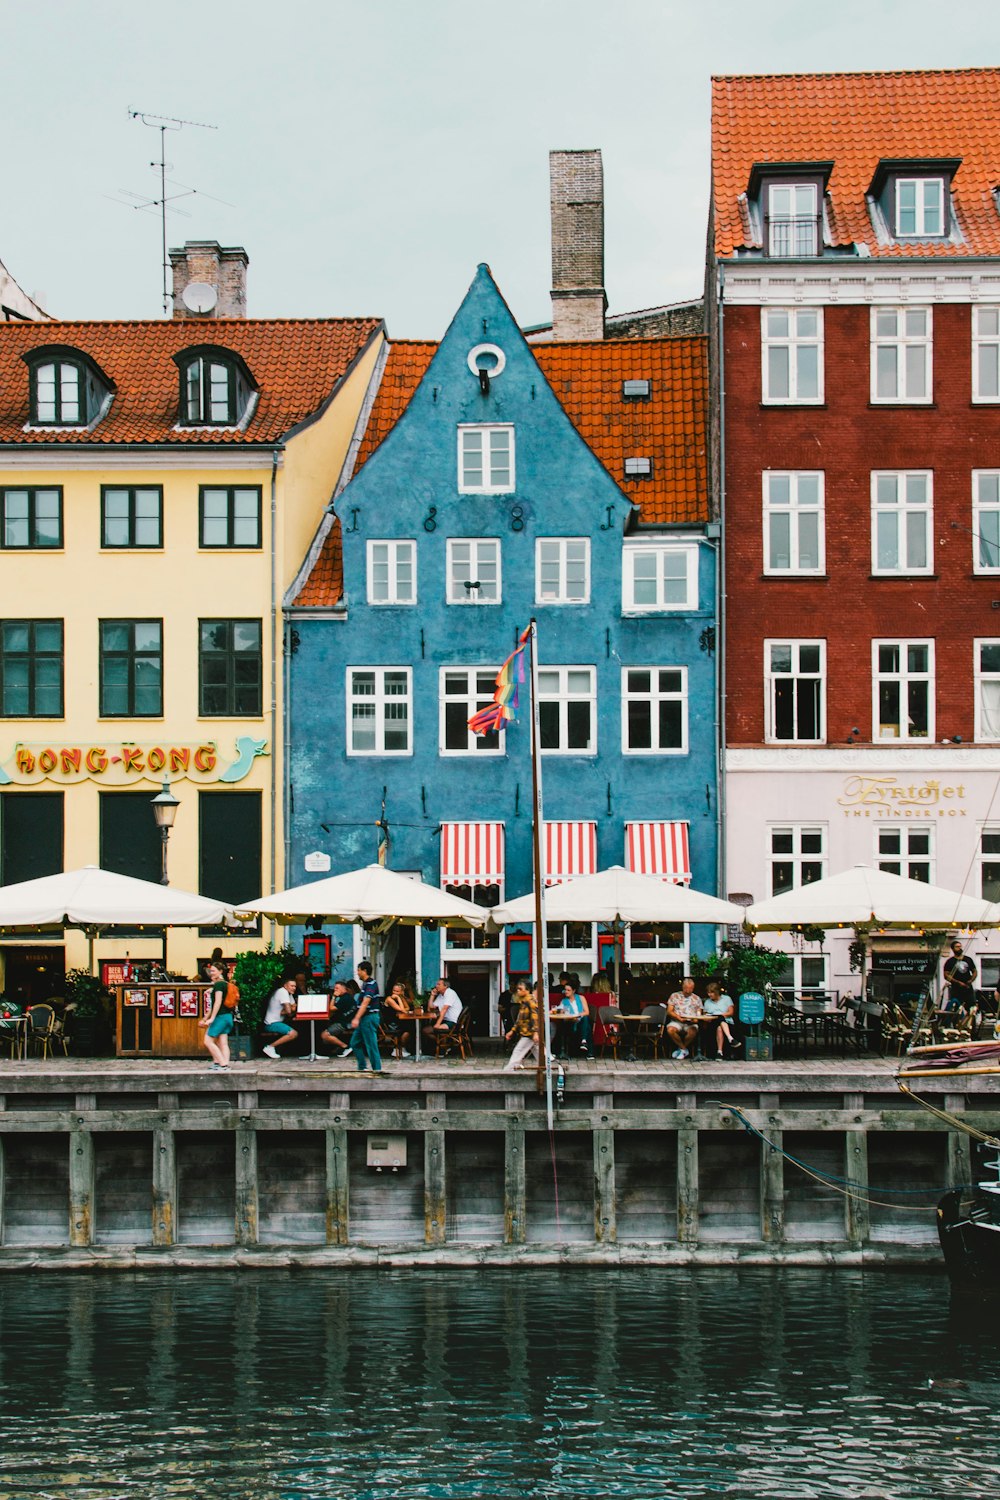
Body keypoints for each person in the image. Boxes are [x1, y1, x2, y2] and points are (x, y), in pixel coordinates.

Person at [199, 960, 234, 1070]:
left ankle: (222, 1064)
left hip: (220, 1017)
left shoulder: (218, 985)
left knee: (208, 1041)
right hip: (228, 1016)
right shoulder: (226, 984)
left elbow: (217, 1002)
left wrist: (211, 1019)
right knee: (223, 1043)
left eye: (213, 971)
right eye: (211, 971)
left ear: (220, 971)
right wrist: (205, 1018)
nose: (211, 973)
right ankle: (222, 1064)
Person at [351, 960, 383, 1073]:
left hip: (369, 1017)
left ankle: (377, 1069)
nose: (357, 972)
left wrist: (356, 1018)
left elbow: (366, 1002)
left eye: (359, 970)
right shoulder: (365, 985)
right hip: (364, 1018)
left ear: (364, 971)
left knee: (371, 1044)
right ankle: (362, 1067)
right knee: (354, 1043)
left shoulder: (371, 984)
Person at [550, 978, 593, 1059]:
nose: (566, 992)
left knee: (585, 1019)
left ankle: (583, 1041)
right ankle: (585, 1044)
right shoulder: (563, 1001)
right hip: (571, 1023)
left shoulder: (581, 998)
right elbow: (563, 1016)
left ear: (573, 991)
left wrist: (577, 1016)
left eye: (568, 990)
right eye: (565, 990)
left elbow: (587, 1012)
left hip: (581, 1021)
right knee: (585, 1024)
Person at [503, 979, 539, 1071]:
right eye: (517, 989)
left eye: (520, 989)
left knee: (518, 1051)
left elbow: (535, 1016)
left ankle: (509, 1070)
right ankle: (550, 1065)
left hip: (529, 1033)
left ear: (527, 990)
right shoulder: (523, 1002)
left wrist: (535, 1032)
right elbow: (519, 1020)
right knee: (540, 1052)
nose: (518, 991)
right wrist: (512, 1031)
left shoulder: (530, 1002)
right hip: (527, 1032)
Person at [319, 979, 360, 1057]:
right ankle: (338, 1047)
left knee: (324, 1035)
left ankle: (345, 1047)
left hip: (344, 1023)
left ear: (343, 989)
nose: (335, 990)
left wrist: (334, 997)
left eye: (337, 988)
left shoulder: (345, 998)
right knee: (324, 1035)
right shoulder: (345, 997)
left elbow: (331, 1008)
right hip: (345, 1021)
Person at [665, 977, 703, 1060]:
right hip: (677, 1021)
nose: (688, 991)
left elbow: (699, 1014)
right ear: (682, 987)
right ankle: (684, 1049)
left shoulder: (697, 999)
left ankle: (681, 1049)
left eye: (690, 989)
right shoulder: (674, 996)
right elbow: (669, 1011)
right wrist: (678, 1017)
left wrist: (695, 1019)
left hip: (691, 1022)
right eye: (686, 988)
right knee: (670, 1030)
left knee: (692, 1032)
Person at [262, 976, 298, 1059]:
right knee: (293, 1033)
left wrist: (285, 1011)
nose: (294, 988)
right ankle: (270, 1047)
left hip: (278, 1022)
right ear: (285, 986)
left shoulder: (289, 994)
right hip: (271, 1023)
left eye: (295, 986)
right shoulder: (282, 992)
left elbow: (292, 1009)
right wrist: (288, 1010)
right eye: (291, 986)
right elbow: (289, 1011)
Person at [702, 980, 739, 1060]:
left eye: (711, 992)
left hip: (727, 1022)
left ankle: (719, 1052)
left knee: (719, 1026)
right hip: (712, 1022)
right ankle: (730, 1039)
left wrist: (720, 1016)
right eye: (708, 992)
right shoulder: (707, 1002)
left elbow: (731, 1012)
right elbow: (705, 1014)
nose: (709, 994)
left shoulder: (727, 999)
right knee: (718, 1021)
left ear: (717, 992)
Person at [423, 976, 462, 1046]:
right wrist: (432, 995)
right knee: (425, 1030)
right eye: (436, 984)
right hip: (445, 1020)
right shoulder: (441, 995)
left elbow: (444, 1009)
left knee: (437, 1029)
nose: (436, 986)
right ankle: (441, 1045)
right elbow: (430, 1008)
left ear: (445, 986)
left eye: (438, 984)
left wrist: (438, 1024)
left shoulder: (450, 993)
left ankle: (443, 1048)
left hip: (453, 1022)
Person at [382, 981, 415, 1058]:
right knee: (409, 1029)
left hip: (398, 1020)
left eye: (397, 991)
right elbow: (402, 1010)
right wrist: (398, 998)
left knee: (411, 1027)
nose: (395, 993)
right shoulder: (389, 999)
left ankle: (402, 1048)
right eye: (394, 991)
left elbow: (407, 1008)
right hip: (391, 1023)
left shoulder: (401, 997)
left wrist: (401, 998)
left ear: (402, 992)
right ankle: (398, 1048)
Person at [943, 942, 978, 1012]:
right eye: (957, 947)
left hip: (968, 988)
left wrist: (971, 980)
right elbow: (946, 975)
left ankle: (971, 1022)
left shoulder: (968, 959)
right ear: (953, 949)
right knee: (956, 1009)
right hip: (956, 989)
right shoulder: (950, 961)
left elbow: (975, 971)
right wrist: (957, 982)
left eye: (960, 946)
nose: (959, 948)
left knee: (971, 1009)